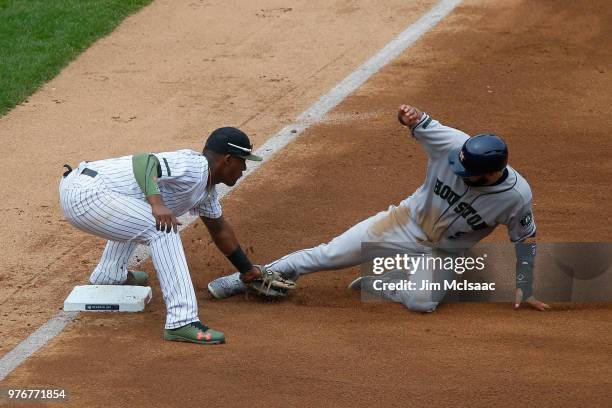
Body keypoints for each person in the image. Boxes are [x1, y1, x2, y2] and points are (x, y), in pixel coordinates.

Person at [207, 105, 550, 312]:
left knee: (422, 303)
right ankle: (245, 278)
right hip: (403, 223)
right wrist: (409, 117)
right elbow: (420, 122)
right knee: (327, 255)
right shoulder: (455, 144)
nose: (459, 172)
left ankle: (381, 284)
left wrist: (526, 284)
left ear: (492, 172)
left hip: (444, 252)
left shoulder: (516, 196)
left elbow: (525, 239)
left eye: (469, 172)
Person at [59, 127, 266, 345]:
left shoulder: (207, 192)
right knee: (162, 228)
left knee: (142, 211)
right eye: (243, 161)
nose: (244, 168)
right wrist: (157, 204)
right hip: (86, 194)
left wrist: (248, 270)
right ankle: (182, 320)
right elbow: (144, 161)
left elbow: (220, 229)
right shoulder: (195, 167)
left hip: (93, 190)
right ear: (227, 159)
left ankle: (109, 275)